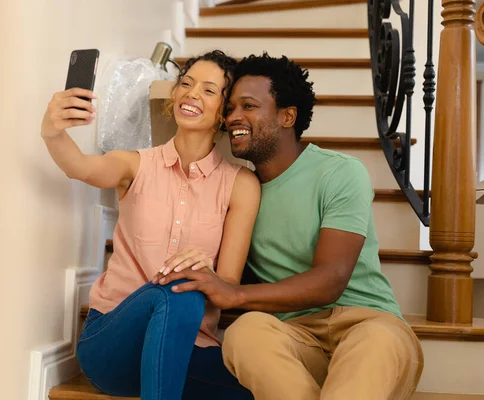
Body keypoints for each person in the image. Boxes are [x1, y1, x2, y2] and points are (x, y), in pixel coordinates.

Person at [158, 53, 424, 400]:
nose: (233, 117)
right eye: (231, 107)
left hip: (368, 325)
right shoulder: (237, 192)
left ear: (287, 116)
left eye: (249, 106)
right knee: (245, 332)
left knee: (376, 343)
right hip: (295, 338)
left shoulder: (339, 172)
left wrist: (236, 294)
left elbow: (330, 280)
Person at [40, 50, 259, 400]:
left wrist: (206, 272)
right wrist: (53, 132)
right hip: (113, 343)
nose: (191, 93)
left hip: (187, 348)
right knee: (181, 289)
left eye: (208, 90)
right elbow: (80, 166)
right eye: (186, 84)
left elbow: (229, 284)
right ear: (173, 97)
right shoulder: (135, 164)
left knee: (259, 388)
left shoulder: (241, 185)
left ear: (224, 112)